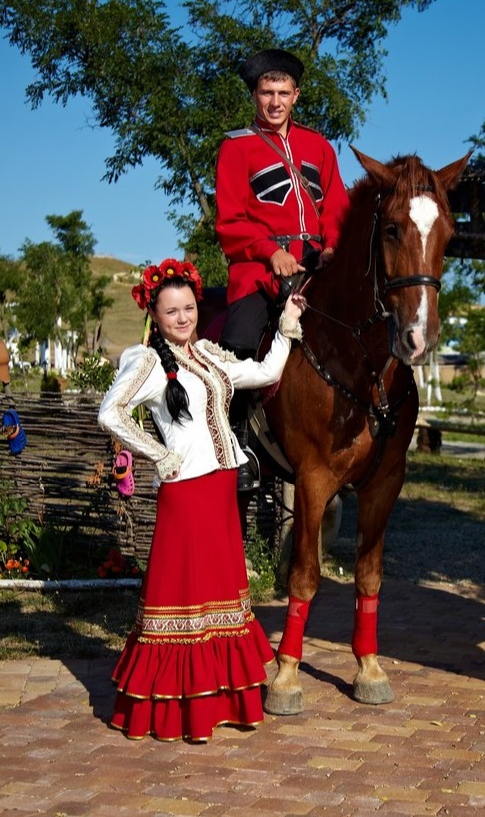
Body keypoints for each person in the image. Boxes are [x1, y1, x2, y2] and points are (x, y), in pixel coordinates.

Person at [97, 256, 307, 743]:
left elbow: (265, 369)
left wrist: (287, 324)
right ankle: (174, 713)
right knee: (183, 599)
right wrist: (157, 454)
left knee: (220, 600)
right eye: (172, 312)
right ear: (157, 315)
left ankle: (220, 704)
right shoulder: (148, 362)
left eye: (189, 308)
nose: (184, 318)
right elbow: (111, 413)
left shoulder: (209, 355)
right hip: (186, 496)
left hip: (219, 490)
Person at [214, 47, 349, 490]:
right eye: (266, 92)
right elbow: (230, 219)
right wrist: (269, 251)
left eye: (283, 92)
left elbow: (336, 206)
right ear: (254, 95)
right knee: (236, 342)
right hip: (259, 270)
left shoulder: (319, 146)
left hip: (317, 266)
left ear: (296, 95)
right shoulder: (236, 148)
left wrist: (332, 246)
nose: (275, 102)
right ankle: (235, 448)